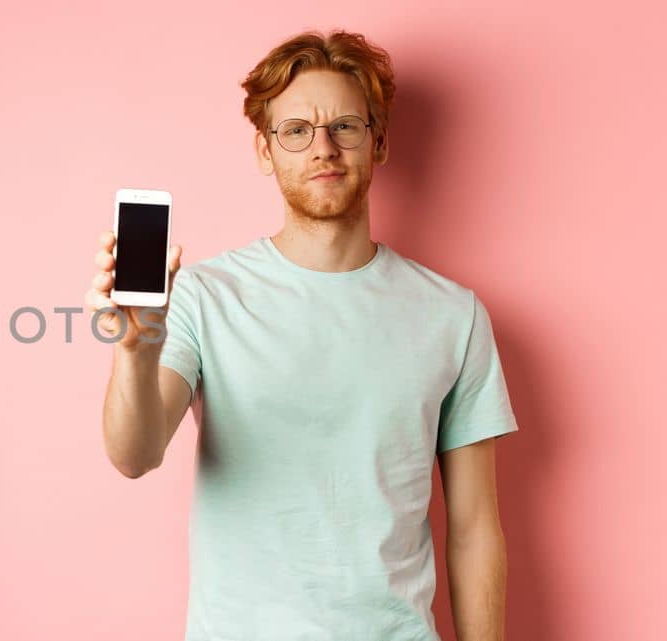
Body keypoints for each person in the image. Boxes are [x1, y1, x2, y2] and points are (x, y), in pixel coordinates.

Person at [84, 30, 518, 641]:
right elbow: (134, 455)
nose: (324, 149)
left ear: (379, 142)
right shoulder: (204, 297)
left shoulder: (454, 315)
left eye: (345, 126)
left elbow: (474, 528)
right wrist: (135, 351)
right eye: (296, 130)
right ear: (266, 150)